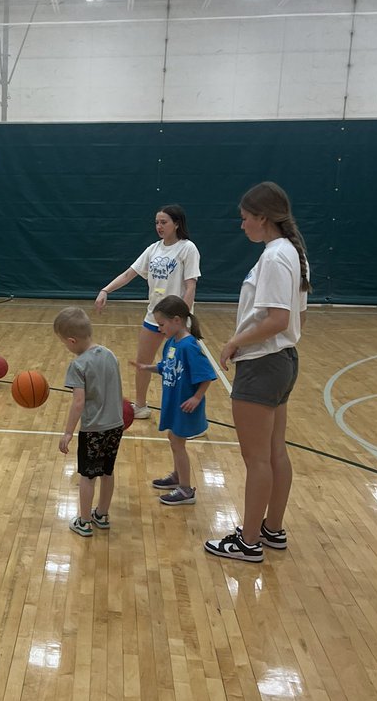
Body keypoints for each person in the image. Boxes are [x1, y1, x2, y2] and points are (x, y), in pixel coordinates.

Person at [204, 182, 310, 563]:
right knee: (275, 451)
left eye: (246, 217)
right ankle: (272, 529)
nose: (242, 224)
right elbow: (295, 317)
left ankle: (248, 541)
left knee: (258, 459)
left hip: (263, 364)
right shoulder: (292, 252)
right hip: (281, 362)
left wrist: (235, 342)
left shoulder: (274, 257)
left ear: (263, 217)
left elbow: (279, 319)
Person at [94, 205, 201, 420]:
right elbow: (128, 274)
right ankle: (140, 406)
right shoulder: (153, 249)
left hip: (177, 321)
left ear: (177, 224)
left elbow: (190, 286)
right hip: (154, 317)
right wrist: (105, 290)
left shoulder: (187, 249)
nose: (159, 226)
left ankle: (191, 418)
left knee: (182, 369)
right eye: (157, 222)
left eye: (164, 222)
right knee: (142, 363)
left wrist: (183, 318)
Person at [131, 296, 216, 506]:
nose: (159, 329)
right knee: (173, 438)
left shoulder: (189, 346)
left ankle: (186, 489)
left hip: (186, 405)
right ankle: (178, 477)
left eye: (162, 324)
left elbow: (207, 374)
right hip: (173, 402)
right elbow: (166, 366)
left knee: (177, 442)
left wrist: (197, 397)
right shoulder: (172, 342)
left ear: (177, 320)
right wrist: (146, 368)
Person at [54, 306, 124, 534]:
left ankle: (84, 521)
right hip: (115, 425)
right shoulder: (110, 354)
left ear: (72, 340)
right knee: (107, 471)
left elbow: (78, 403)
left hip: (93, 429)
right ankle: (102, 514)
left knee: (87, 476)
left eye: (64, 343)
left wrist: (67, 432)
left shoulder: (78, 365)